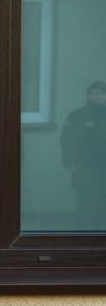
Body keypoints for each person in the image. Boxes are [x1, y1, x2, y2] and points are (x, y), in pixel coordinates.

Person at [60, 80, 106, 225]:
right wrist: (70, 163)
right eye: (94, 93)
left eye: (102, 93)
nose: (98, 96)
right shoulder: (77, 116)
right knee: (88, 202)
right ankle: (85, 234)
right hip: (85, 167)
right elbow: (67, 140)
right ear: (88, 96)